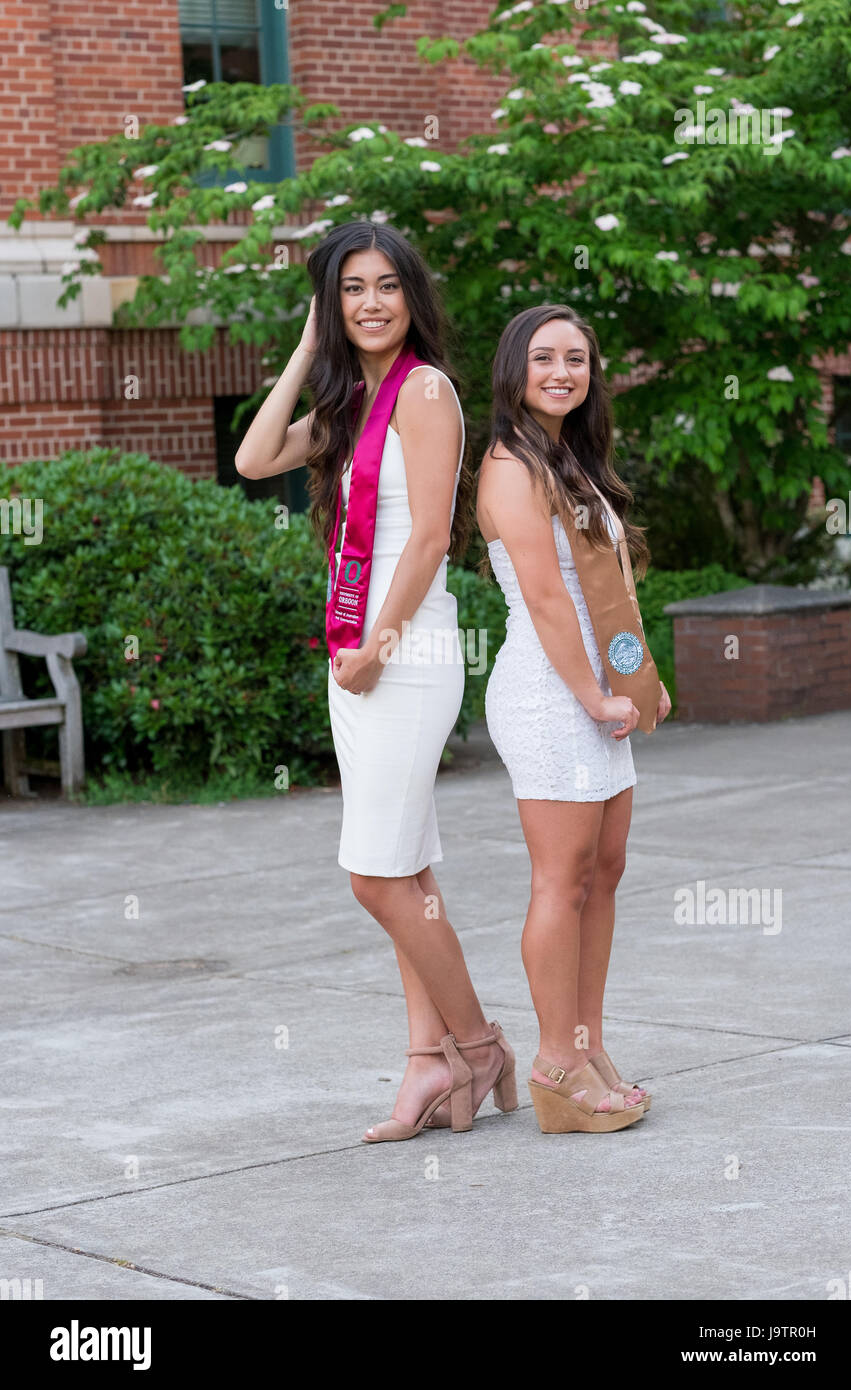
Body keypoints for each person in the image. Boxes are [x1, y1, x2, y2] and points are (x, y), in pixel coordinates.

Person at [236, 221, 516, 1143]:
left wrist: (380, 646)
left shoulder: (425, 392)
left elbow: (432, 537)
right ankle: (424, 1065)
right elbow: (253, 456)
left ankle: (477, 1044)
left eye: (386, 286)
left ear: (413, 297)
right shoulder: (353, 402)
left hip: (408, 650)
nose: (370, 303)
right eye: (350, 288)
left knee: (375, 875)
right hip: (354, 654)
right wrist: (308, 345)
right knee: (409, 864)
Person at [476, 305, 671, 1134]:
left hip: (599, 688)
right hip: (548, 694)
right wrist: (592, 697)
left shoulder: (571, 461)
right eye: (545, 357)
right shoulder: (509, 466)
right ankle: (557, 1060)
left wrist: (640, 676)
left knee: (607, 870)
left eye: (578, 359)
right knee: (562, 878)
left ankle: (586, 1045)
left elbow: (609, 595)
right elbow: (551, 599)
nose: (562, 371)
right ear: (515, 367)